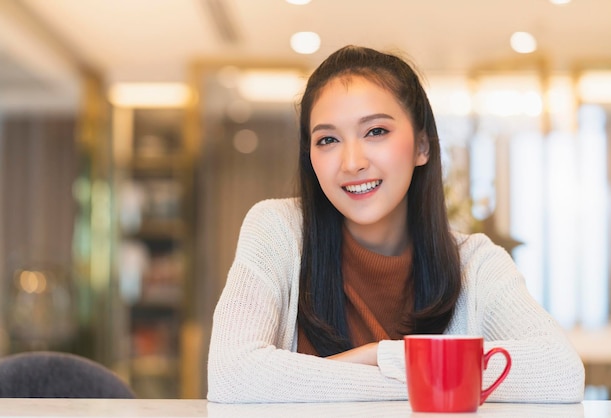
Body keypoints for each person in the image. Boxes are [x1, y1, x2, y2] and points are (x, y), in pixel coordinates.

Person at [207, 45, 585, 403]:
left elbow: (559, 372)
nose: (352, 161)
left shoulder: (476, 264)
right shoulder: (278, 230)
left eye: (376, 131)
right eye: (327, 140)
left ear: (423, 145)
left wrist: (383, 357)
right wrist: (422, 371)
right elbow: (232, 374)